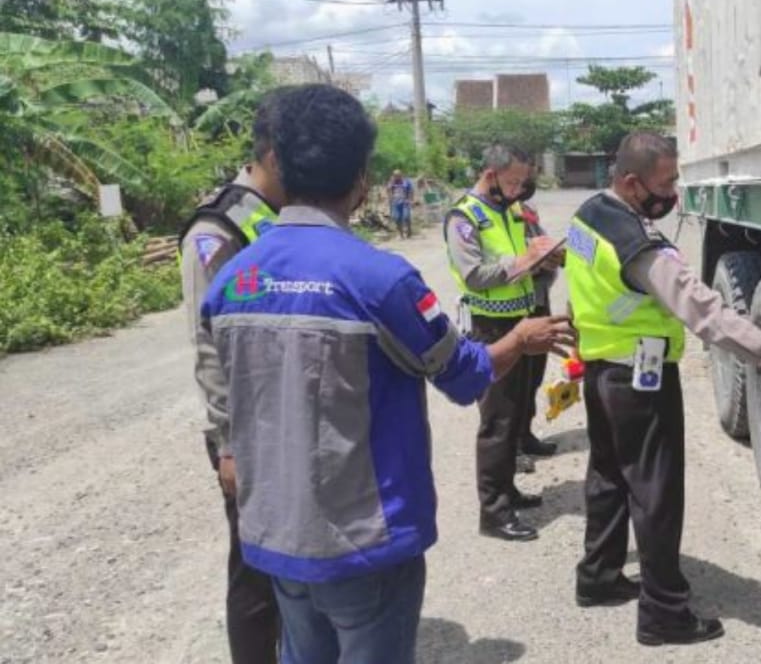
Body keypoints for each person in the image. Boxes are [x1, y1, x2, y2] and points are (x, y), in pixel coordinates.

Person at [200, 84, 575, 664]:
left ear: (280, 166)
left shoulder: (233, 278)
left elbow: (223, 391)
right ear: (362, 180)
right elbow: (464, 374)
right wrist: (521, 340)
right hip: (365, 544)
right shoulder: (381, 280)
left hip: (275, 539)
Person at [565, 132, 761, 646]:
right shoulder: (639, 247)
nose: (672, 192)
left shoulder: (587, 215)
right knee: (655, 495)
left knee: (607, 475)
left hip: (602, 368)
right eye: (665, 182)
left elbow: (578, 275)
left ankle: (597, 579)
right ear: (630, 181)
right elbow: (708, 316)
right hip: (639, 379)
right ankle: (664, 615)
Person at [179, 90, 288, 664]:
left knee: (290, 559)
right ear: (272, 155)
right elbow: (209, 343)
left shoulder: (277, 215)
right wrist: (228, 444)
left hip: (286, 412)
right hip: (247, 427)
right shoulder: (218, 226)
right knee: (254, 569)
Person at [444, 144, 558, 542]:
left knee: (517, 412)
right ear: (490, 175)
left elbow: (523, 261)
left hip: (522, 320)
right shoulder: (464, 216)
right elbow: (474, 275)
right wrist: (525, 260)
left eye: (522, 182)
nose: (517, 190)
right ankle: (493, 514)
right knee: (497, 420)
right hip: (491, 328)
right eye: (512, 182)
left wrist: (544, 260)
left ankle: (507, 491)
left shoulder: (509, 211)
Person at [516, 185, 561, 463]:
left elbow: (543, 244)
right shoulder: (497, 216)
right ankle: (512, 449)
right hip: (517, 306)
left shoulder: (527, 212)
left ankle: (525, 435)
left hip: (539, 300)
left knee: (533, 375)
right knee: (515, 382)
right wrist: (535, 264)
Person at [387, 169, 414, 238]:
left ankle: (409, 230)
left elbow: (411, 191)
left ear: (401, 175)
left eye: (398, 175)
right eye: (395, 175)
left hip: (405, 202)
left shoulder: (406, 182)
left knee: (406, 216)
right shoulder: (392, 182)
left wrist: (410, 200)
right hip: (396, 202)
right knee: (397, 218)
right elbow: (389, 191)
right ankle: (400, 234)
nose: (396, 177)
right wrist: (391, 199)